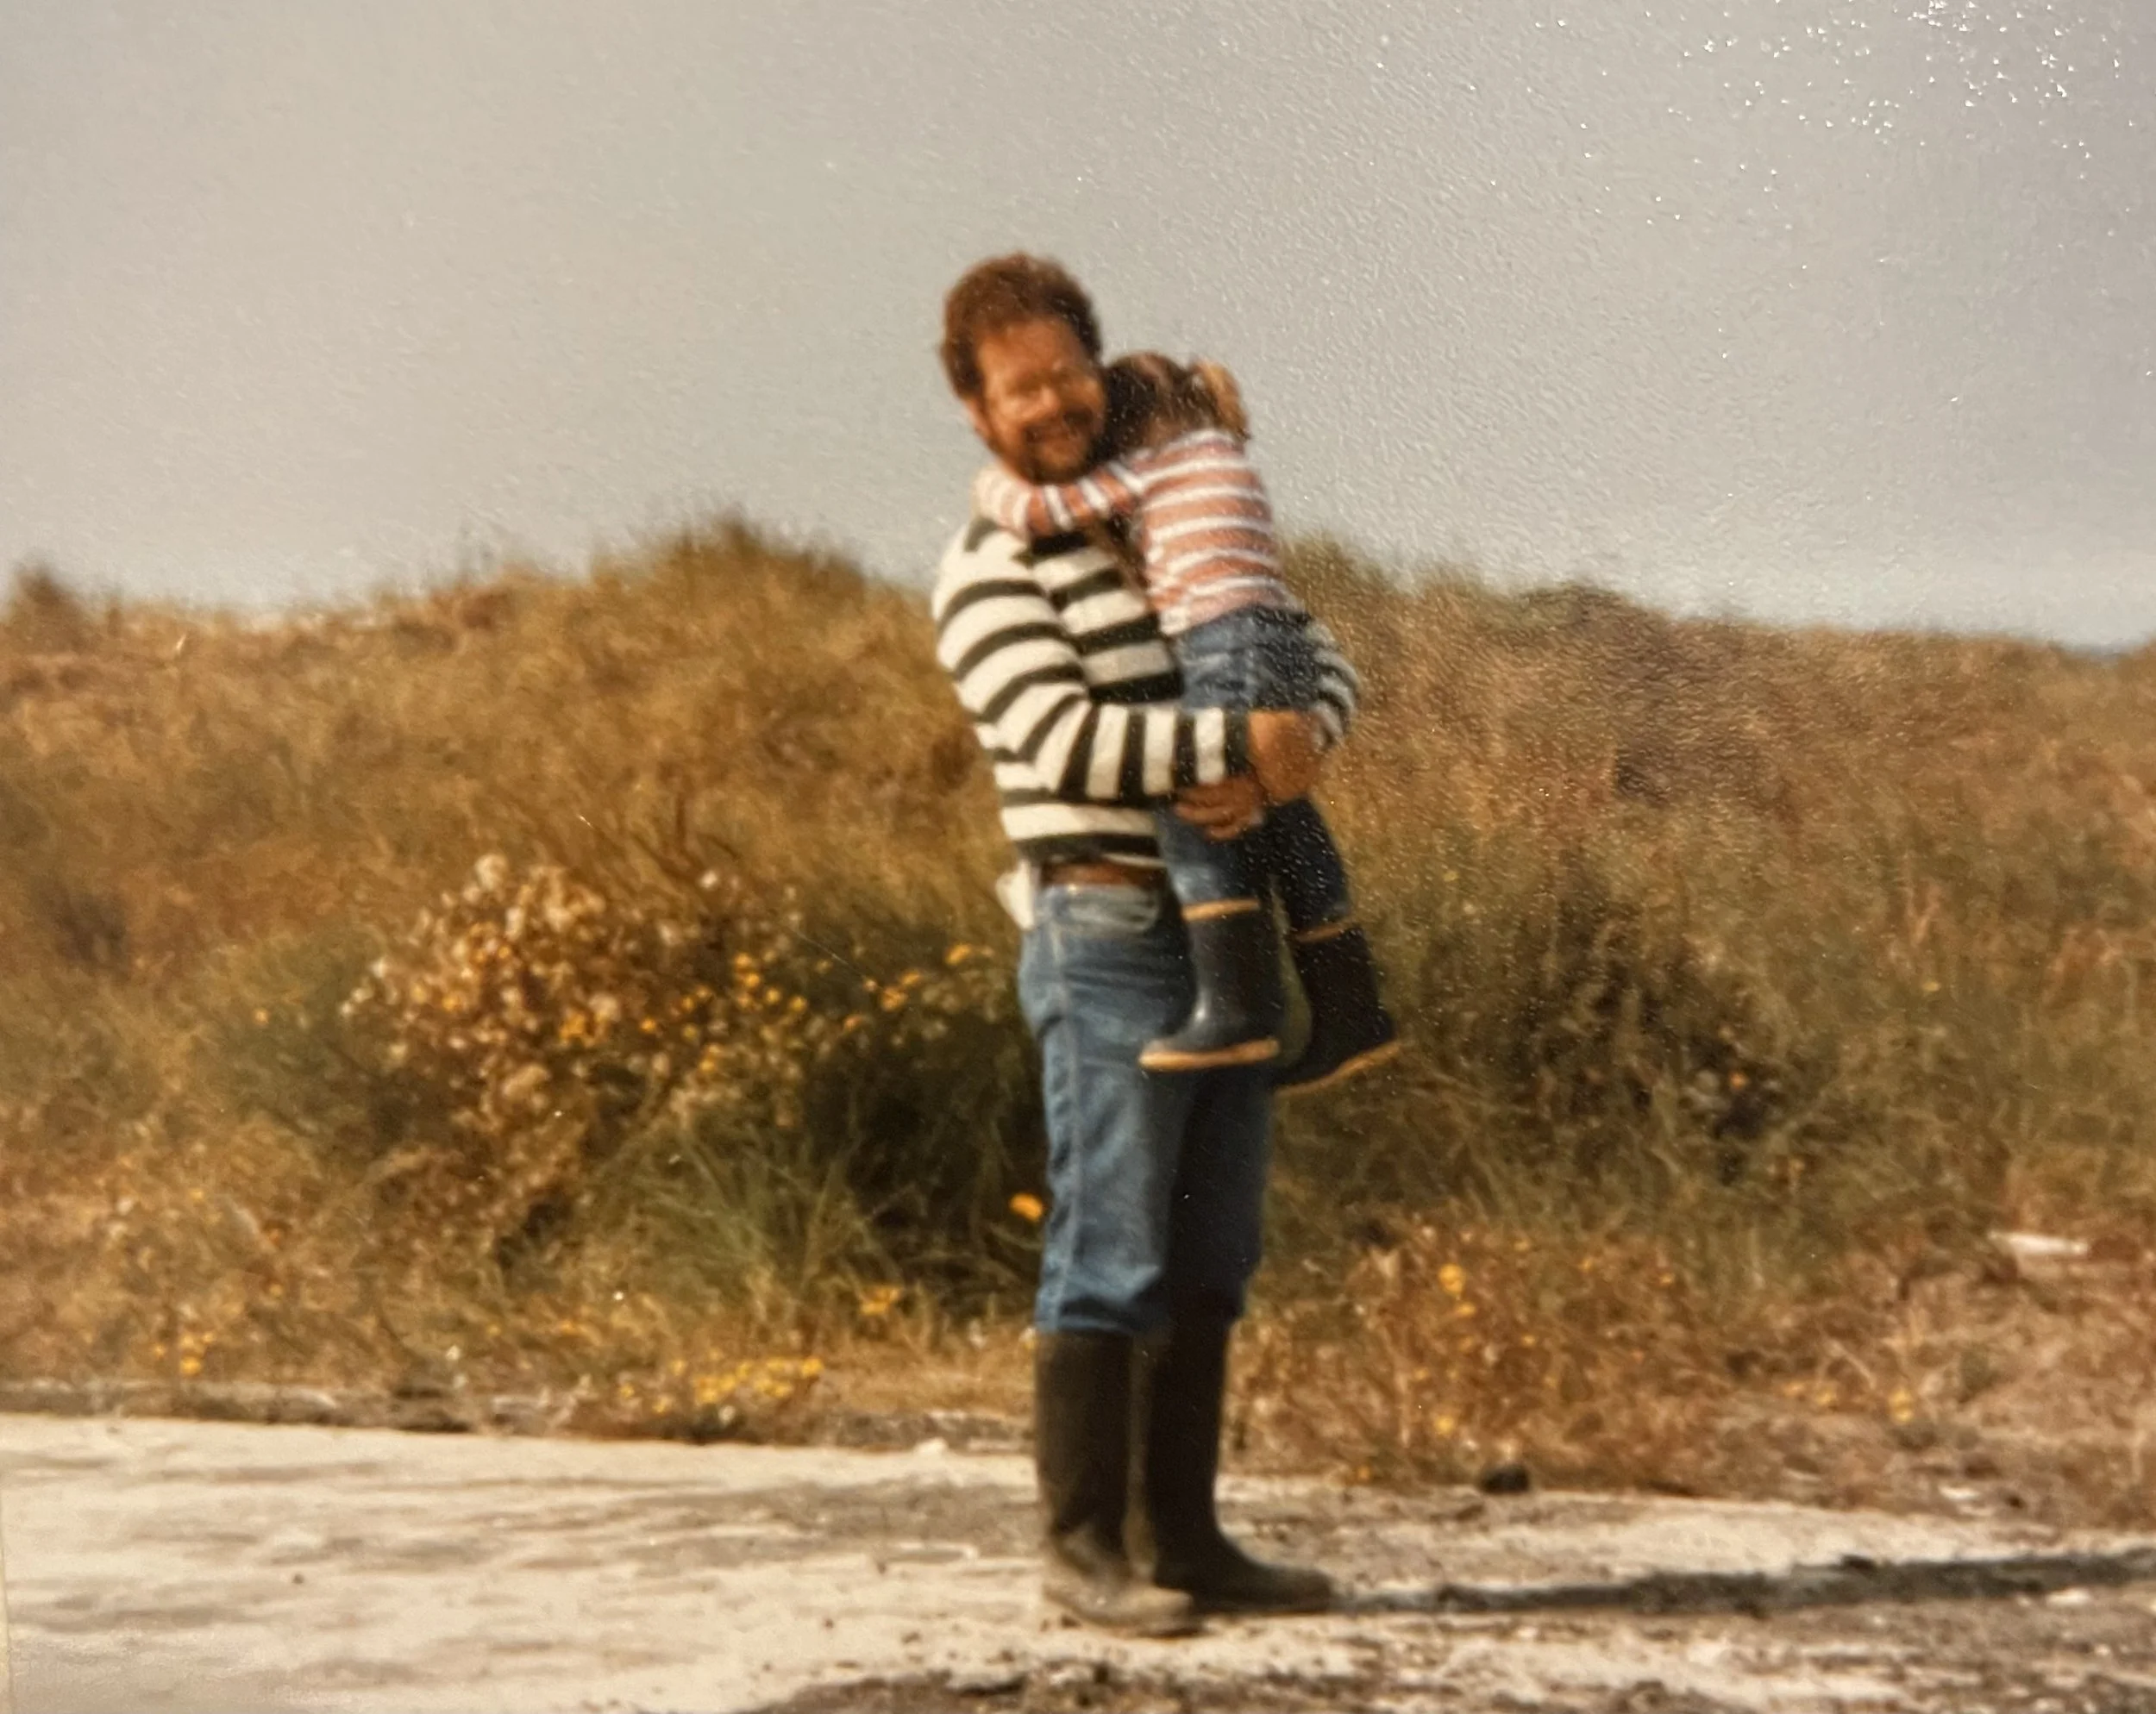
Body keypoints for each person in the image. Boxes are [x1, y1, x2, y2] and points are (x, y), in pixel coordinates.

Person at [931, 253, 1344, 1634]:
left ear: (1097, 369)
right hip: (1101, 926)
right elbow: (1063, 738)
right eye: (1018, 385)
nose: (1050, 402)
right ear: (978, 410)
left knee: (1213, 1247)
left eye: (1066, 371)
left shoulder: (1159, 506)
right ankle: (1081, 1549)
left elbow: (1311, 653)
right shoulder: (988, 568)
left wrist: (1296, 754)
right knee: (1109, 1240)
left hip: (1222, 921)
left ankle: (1190, 1541)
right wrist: (1239, 746)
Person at [970, 350, 1397, 1091]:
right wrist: (1267, 771)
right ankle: (1346, 1011)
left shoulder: (1165, 494)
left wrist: (1268, 764)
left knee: (1194, 809)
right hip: (1256, 646)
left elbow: (1336, 673)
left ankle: (1238, 1010)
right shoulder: (1214, 475)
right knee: (1291, 833)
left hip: (1225, 653)